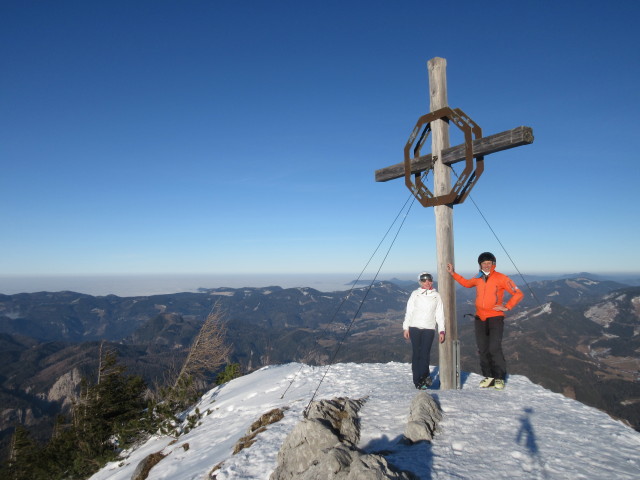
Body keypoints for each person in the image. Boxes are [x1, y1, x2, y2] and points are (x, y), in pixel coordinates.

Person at [447, 252, 523, 390]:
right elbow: (466, 283)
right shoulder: (478, 277)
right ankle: (488, 377)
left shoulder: (501, 278)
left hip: (495, 317)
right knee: (483, 349)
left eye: (489, 263)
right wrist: (453, 273)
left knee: (494, 348)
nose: (486, 266)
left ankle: (499, 378)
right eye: (484, 263)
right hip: (480, 318)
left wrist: (507, 306)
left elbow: (518, 293)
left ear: (493, 264)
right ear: (480, 265)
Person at [403, 272, 446, 389]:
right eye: (424, 280)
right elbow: (409, 311)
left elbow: (440, 314)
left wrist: (441, 330)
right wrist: (406, 327)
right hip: (414, 327)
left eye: (429, 280)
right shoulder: (415, 294)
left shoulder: (436, 295)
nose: (427, 282)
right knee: (417, 354)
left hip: (429, 328)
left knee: (425, 354)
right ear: (420, 282)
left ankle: (424, 377)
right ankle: (417, 380)